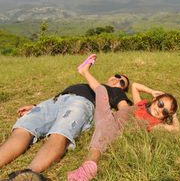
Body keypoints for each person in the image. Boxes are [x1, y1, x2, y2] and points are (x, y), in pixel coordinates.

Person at [0, 54, 132, 179]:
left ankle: (27, 176)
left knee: (60, 134)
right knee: (23, 128)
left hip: (82, 103)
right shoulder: (87, 85)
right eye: (118, 76)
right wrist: (35, 105)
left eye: (122, 83)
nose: (118, 79)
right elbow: (60, 96)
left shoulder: (115, 92)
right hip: (56, 101)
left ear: (122, 89)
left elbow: (124, 109)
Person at [68, 56, 180, 181]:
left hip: (115, 128)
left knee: (100, 139)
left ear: (165, 116)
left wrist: (174, 115)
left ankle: (85, 171)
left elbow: (175, 129)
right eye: (160, 104)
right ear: (155, 100)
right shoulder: (140, 104)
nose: (160, 110)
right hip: (108, 115)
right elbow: (135, 86)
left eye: (164, 111)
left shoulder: (155, 123)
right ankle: (84, 71)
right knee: (101, 90)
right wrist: (152, 91)